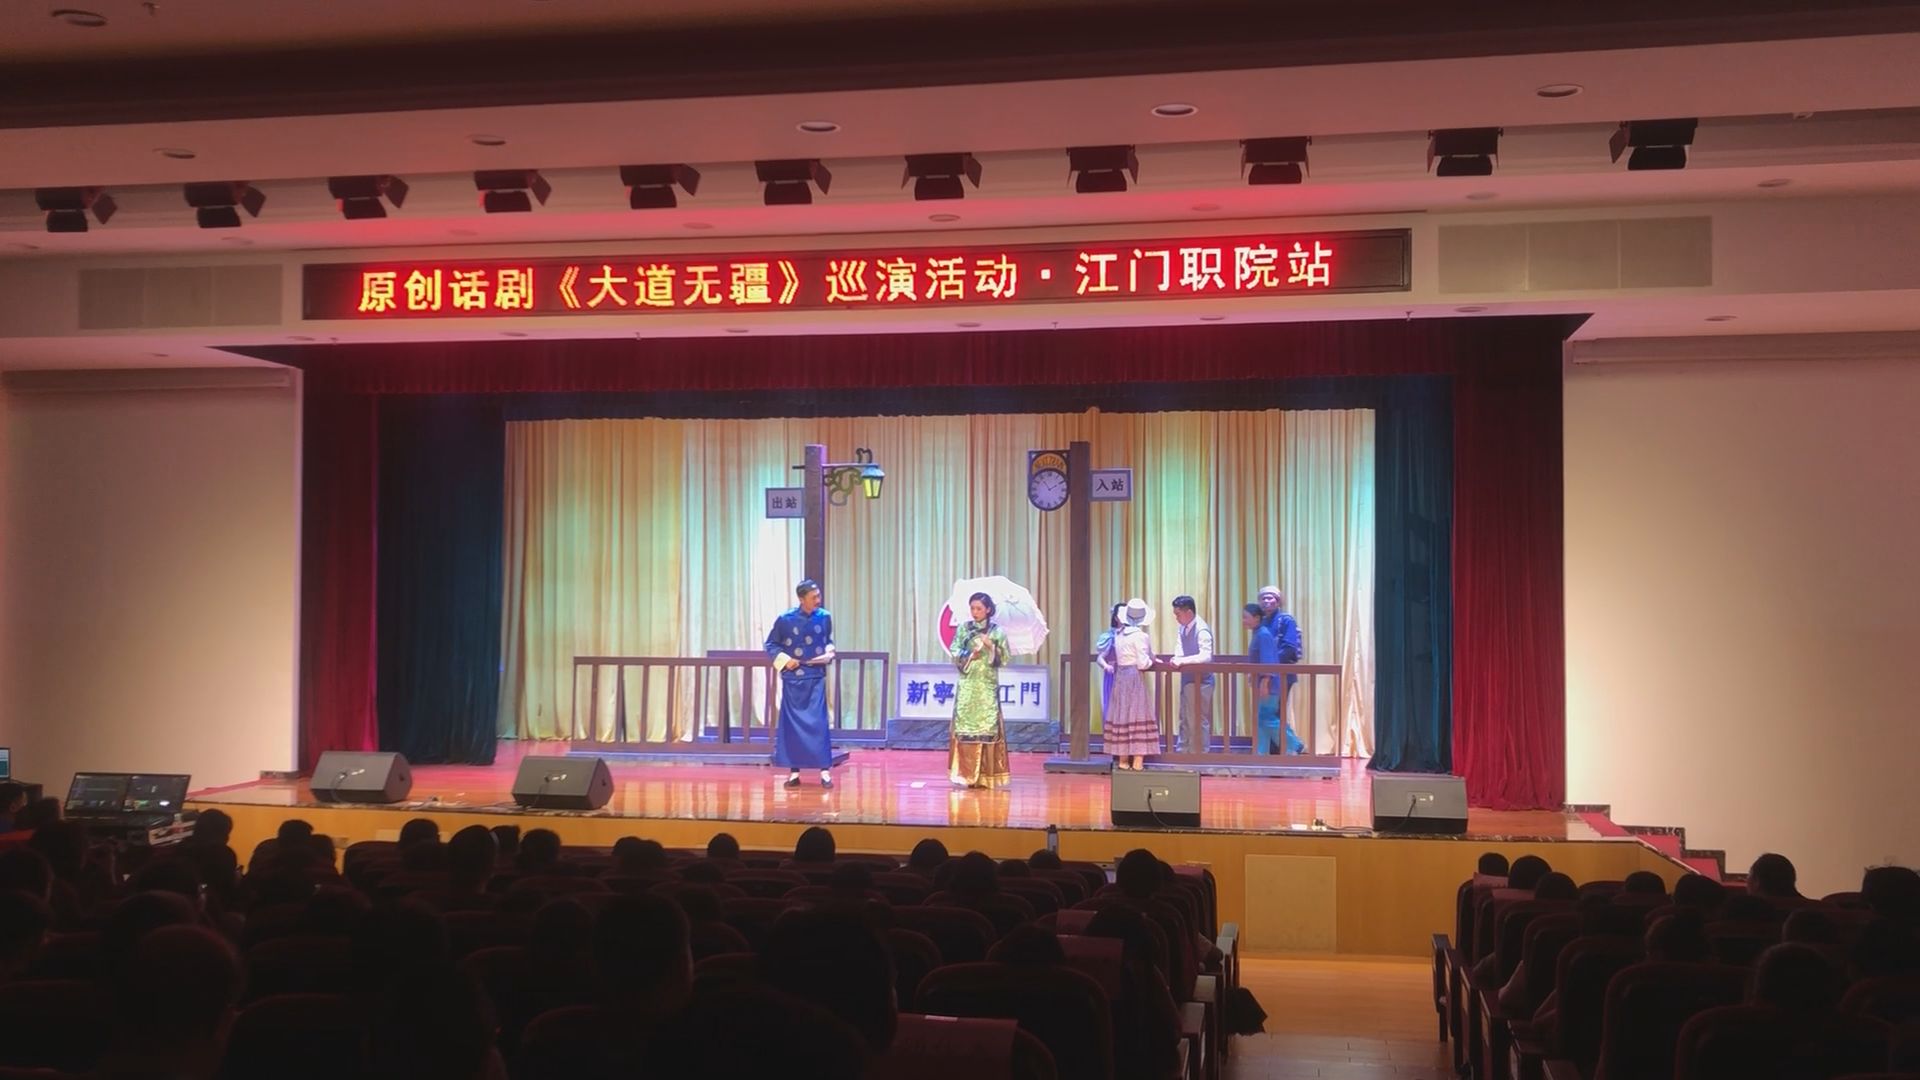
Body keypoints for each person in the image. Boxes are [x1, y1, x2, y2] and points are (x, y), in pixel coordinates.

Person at [764, 578, 837, 789]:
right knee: (793, 726)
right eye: (814, 597)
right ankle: (794, 772)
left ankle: (824, 771)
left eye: (818, 596)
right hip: (794, 679)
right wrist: (786, 660)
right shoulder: (785, 619)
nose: (818, 600)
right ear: (802, 599)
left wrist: (830, 650)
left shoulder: (824, 617)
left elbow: (828, 640)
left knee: (819, 724)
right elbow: (771, 644)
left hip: (815, 677)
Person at [948, 591, 1012, 789]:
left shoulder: (997, 632)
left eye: (979, 608)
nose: (975, 612)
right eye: (972, 608)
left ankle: (986, 776)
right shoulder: (963, 629)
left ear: (988, 610)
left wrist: (992, 647)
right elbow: (954, 651)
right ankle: (965, 774)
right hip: (968, 685)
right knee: (965, 727)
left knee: (988, 728)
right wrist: (969, 654)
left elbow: (1005, 658)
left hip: (986, 685)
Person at [1104, 598, 1161, 770]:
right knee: (1137, 714)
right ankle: (1137, 761)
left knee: (1122, 714)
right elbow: (1143, 663)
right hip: (1134, 677)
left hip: (1121, 676)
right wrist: (1152, 661)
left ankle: (1123, 760)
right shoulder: (1141, 636)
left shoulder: (1118, 635)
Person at [1243, 602, 1304, 754]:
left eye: (1246, 617)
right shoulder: (1258, 633)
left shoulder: (1263, 634)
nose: (1243, 621)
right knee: (1262, 719)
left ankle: (1294, 743)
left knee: (1267, 717)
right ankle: (1261, 753)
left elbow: (1268, 660)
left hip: (1269, 684)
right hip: (1263, 682)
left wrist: (1265, 681)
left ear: (1256, 618)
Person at [1256, 585, 1305, 748]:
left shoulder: (1286, 620)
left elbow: (1289, 648)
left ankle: (1290, 746)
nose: (1266, 601)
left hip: (1282, 675)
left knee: (1275, 713)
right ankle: (1272, 750)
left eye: (1270, 598)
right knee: (1267, 713)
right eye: (1263, 598)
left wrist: (1270, 665)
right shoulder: (1262, 622)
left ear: (1277, 601)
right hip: (1266, 674)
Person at [1167, 596, 1215, 753]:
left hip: (1202, 681)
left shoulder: (1202, 630)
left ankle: (1199, 754)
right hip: (1188, 679)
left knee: (1198, 719)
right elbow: (1179, 648)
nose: (1176, 618)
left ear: (1188, 612)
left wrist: (1182, 661)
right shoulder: (1183, 628)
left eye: (1178, 614)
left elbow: (1206, 656)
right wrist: (1177, 658)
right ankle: (1184, 751)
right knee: (1185, 717)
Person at [1094, 601, 1124, 720]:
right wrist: (1106, 666)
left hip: (1129, 675)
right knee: (1113, 707)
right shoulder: (1111, 636)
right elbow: (1100, 658)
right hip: (1113, 674)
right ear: (1116, 617)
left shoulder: (1134, 635)